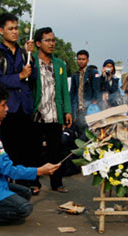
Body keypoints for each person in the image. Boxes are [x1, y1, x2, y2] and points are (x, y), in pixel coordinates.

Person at [0, 83, 60, 230]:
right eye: (3, 105)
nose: (7, 109)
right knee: (25, 208)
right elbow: (9, 170)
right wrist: (40, 171)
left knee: (25, 192)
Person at [31, 27, 73, 193]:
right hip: (36, 114)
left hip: (55, 114)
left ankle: (57, 183)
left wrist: (67, 110)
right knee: (33, 150)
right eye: (48, 40)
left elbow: (64, 90)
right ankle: (34, 182)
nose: (52, 43)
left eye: (53, 40)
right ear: (38, 43)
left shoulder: (60, 64)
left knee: (55, 151)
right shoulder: (31, 61)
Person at [0, 13, 37, 170]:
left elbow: (34, 77)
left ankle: (26, 182)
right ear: (1, 31)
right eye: (10, 28)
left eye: (16, 28)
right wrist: (20, 75)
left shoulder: (25, 52)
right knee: (8, 147)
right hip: (8, 107)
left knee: (26, 147)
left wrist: (31, 59)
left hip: (24, 106)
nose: (14, 32)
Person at [70, 50, 100, 138]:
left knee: (89, 134)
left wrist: (95, 103)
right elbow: (72, 93)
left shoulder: (93, 72)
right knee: (79, 133)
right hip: (78, 110)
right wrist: (72, 110)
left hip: (89, 108)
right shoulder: (75, 74)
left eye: (83, 59)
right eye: (79, 59)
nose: (81, 61)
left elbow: (96, 90)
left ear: (87, 60)